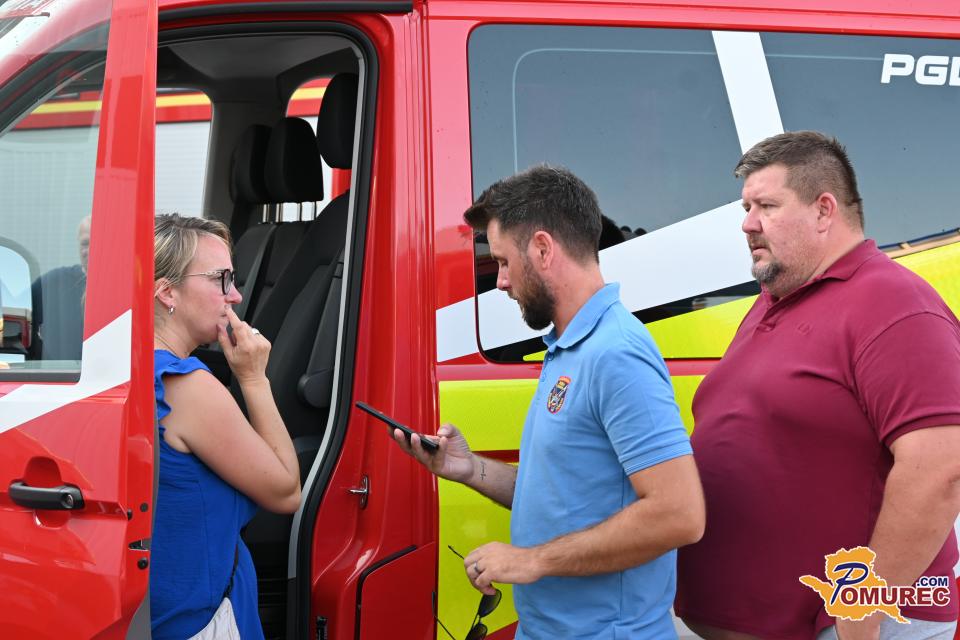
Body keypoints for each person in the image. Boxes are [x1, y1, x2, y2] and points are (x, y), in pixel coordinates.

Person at [394, 165, 705, 638]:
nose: (500, 281)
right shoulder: (568, 347)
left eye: (503, 261)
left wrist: (531, 560)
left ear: (542, 249)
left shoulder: (616, 353)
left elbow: (680, 514)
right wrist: (468, 469)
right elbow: (565, 497)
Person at [674, 131, 960, 640]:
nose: (748, 223)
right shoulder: (775, 301)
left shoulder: (893, 303)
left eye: (766, 206)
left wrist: (863, 607)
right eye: (746, 208)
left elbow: (941, 468)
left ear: (824, 210)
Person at [151, 213, 301, 639]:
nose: (235, 296)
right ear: (167, 292)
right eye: (221, 280)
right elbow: (286, 491)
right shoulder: (185, 385)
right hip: (199, 617)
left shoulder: (126, 367)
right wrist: (253, 378)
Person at [30, 215, 90, 360]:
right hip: (59, 373)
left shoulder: (128, 289)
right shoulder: (50, 285)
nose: (90, 249)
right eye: (85, 243)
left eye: (98, 241)